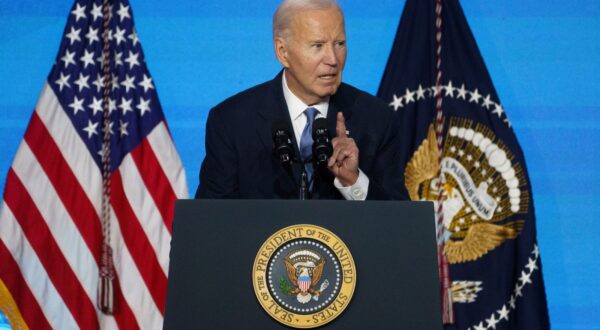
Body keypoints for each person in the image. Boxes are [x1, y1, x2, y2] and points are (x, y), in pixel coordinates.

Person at [195, 0, 406, 200]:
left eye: (339, 43)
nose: (333, 59)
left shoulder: (376, 119)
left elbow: (402, 225)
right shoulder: (233, 121)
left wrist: (353, 181)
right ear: (282, 52)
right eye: (318, 45)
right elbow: (207, 222)